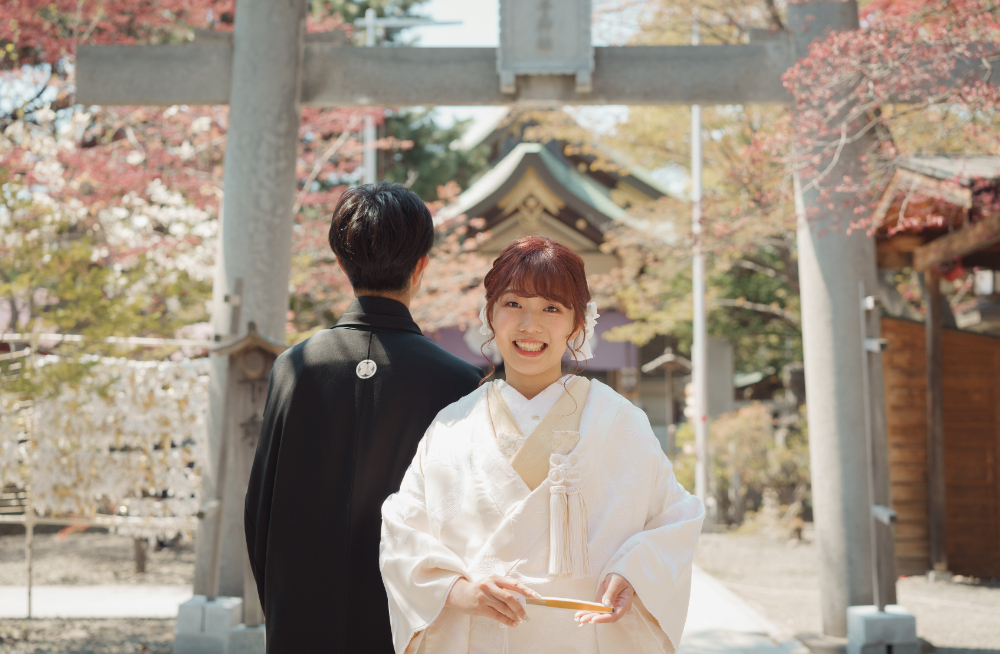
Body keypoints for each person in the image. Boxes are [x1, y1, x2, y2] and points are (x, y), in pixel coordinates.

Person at [380, 236, 705, 654]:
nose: (530, 325)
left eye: (552, 308)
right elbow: (402, 528)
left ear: (576, 324)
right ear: (490, 316)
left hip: (583, 637)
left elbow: (675, 518)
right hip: (482, 636)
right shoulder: (453, 424)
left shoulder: (619, 421)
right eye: (513, 304)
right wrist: (459, 592)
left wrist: (634, 573)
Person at [244, 182, 484, 654]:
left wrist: (284, 607)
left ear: (341, 263)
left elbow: (260, 508)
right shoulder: (458, 380)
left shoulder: (294, 367)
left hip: (301, 617)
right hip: (410, 620)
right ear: (421, 267)